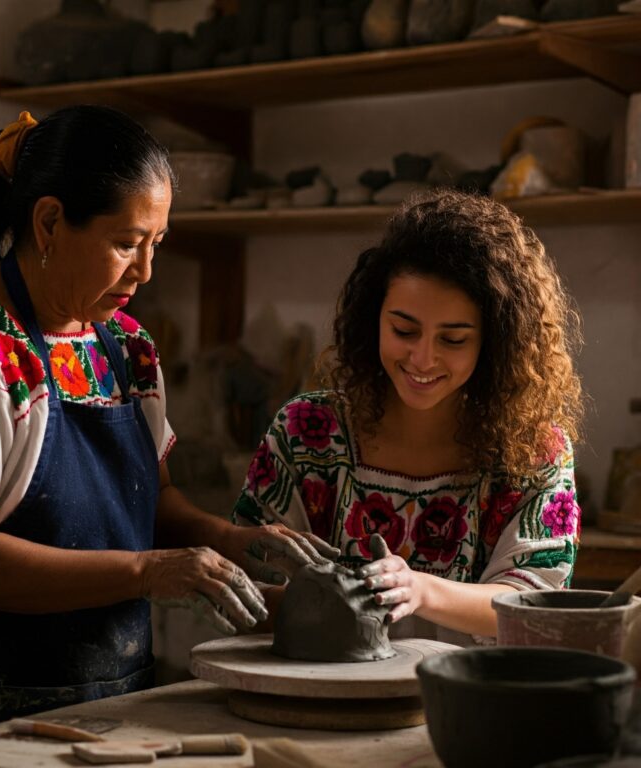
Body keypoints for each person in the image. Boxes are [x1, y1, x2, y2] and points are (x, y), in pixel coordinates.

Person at [0, 105, 336, 763]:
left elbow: (155, 501)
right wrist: (150, 570)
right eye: (126, 243)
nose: (145, 272)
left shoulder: (123, 345)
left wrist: (229, 541)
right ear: (50, 223)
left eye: (158, 243)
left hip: (105, 697)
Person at [234, 188, 584, 644]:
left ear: (494, 343)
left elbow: (536, 607)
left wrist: (419, 589)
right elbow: (250, 585)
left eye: (453, 340)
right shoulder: (306, 433)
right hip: (326, 701)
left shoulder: (536, 451)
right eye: (404, 330)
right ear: (372, 316)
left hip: (472, 705)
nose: (422, 358)